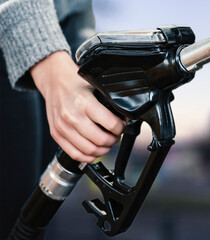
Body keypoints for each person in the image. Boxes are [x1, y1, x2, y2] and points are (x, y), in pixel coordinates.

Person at [0, 0, 125, 238]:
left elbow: (77, 10)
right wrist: (48, 61)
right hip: (23, 50)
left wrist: (89, 64)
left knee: (34, 221)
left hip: (57, 46)